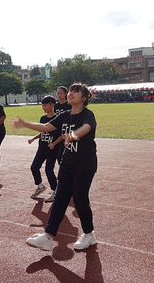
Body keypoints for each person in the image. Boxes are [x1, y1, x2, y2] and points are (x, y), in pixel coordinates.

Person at [16, 83, 98, 251]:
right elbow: (46, 127)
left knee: (80, 199)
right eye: (70, 91)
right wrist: (25, 124)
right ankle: (47, 237)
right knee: (60, 199)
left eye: (75, 92)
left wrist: (72, 135)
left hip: (84, 164)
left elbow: (86, 128)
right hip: (67, 163)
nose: (70, 94)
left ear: (83, 98)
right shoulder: (65, 115)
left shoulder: (87, 115)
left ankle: (89, 235)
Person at [28, 95, 61, 202]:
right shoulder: (43, 118)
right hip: (42, 148)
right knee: (34, 167)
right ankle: (40, 186)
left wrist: (54, 143)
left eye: (46, 105)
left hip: (52, 150)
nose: (44, 108)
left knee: (49, 170)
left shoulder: (58, 119)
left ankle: (56, 191)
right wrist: (34, 138)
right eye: (42, 106)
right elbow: (42, 130)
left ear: (52, 105)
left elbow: (62, 135)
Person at [54, 86, 72, 165]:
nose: (59, 95)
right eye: (58, 93)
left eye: (61, 93)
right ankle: (61, 170)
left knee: (66, 151)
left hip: (66, 131)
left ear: (65, 94)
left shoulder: (69, 105)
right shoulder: (56, 106)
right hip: (58, 131)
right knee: (58, 152)